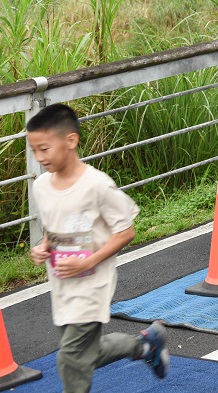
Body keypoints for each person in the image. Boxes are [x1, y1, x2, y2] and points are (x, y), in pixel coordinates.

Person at [27, 103, 169, 393]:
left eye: (45, 149)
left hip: (92, 284)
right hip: (62, 285)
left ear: (71, 141)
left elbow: (126, 231)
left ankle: (143, 346)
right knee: (85, 354)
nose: (40, 158)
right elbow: (53, 229)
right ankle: (144, 345)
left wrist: (87, 262)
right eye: (34, 151)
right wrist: (42, 247)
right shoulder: (41, 186)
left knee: (70, 358)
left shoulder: (97, 186)